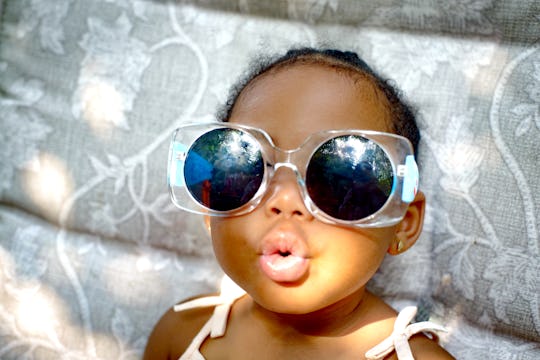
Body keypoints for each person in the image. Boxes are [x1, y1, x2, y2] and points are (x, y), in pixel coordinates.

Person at [144, 47, 454, 359]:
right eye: (240, 169)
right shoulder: (182, 332)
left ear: (403, 223)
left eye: (342, 177)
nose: (285, 200)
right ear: (211, 209)